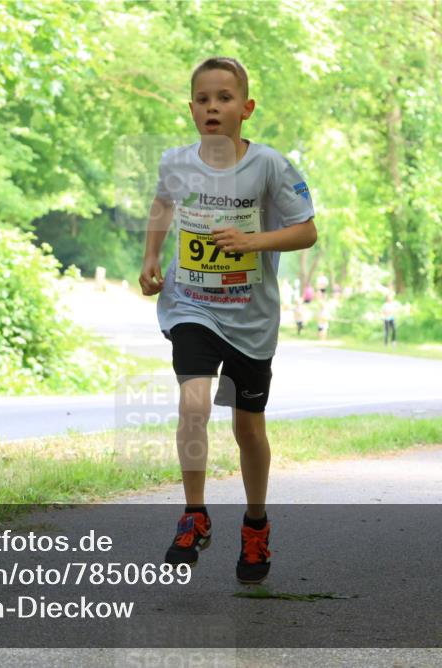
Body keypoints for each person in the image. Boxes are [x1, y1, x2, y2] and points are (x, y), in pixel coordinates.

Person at [138, 57, 317, 585]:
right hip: (191, 305)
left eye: (224, 97)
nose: (212, 106)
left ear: (246, 108)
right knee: (193, 403)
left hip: (250, 318)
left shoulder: (269, 167)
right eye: (203, 98)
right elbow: (161, 204)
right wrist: (151, 257)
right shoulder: (175, 162)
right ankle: (194, 514)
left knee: (247, 427)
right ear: (191, 108)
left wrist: (253, 241)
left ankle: (255, 524)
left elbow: (306, 231)